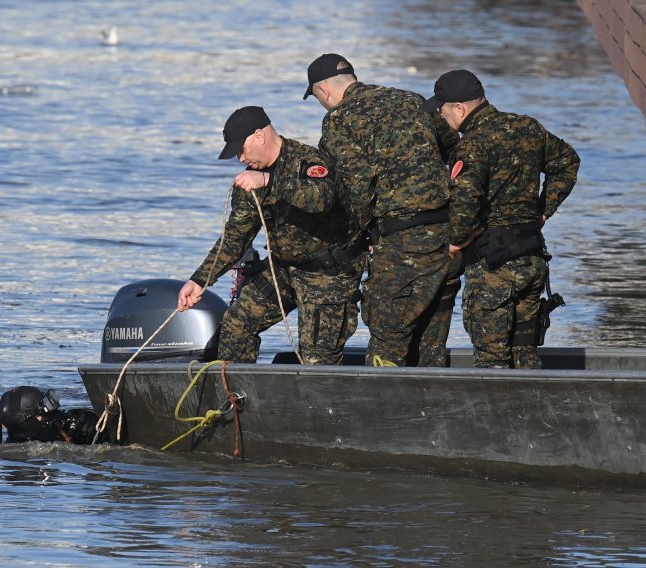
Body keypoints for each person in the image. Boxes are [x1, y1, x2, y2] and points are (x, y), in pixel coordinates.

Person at [303, 53, 460, 367]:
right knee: (430, 350)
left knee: (386, 350)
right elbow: (455, 151)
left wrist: (351, 239)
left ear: (324, 91)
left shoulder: (339, 119)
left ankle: (382, 414)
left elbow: (356, 190)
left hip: (402, 248)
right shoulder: (412, 100)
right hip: (450, 240)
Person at [177, 106, 365, 364]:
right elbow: (235, 237)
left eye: (241, 150)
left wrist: (269, 181)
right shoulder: (249, 181)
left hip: (328, 273)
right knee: (237, 324)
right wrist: (199, 280)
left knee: (316, 359)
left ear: (259, 136)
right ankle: (236, 399)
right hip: (284, 269)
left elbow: (321, 199)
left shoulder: (309, 162)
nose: (240, 159)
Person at [422, 69, 580, 368]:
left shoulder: (471, 145)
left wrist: (456, 241)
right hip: (532, 258)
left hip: (494, 265)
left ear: (460, 108)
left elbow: (466, 202)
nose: (443, 119)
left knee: (491, 360)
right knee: (525, 354)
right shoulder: (526, 127)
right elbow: (567, 162)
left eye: (442, 111)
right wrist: (543, 209)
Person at [0, 386, 107, 445]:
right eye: (44, 410)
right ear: (29, 421)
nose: (54, 413)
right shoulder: (15, 447)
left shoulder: (72, 422)